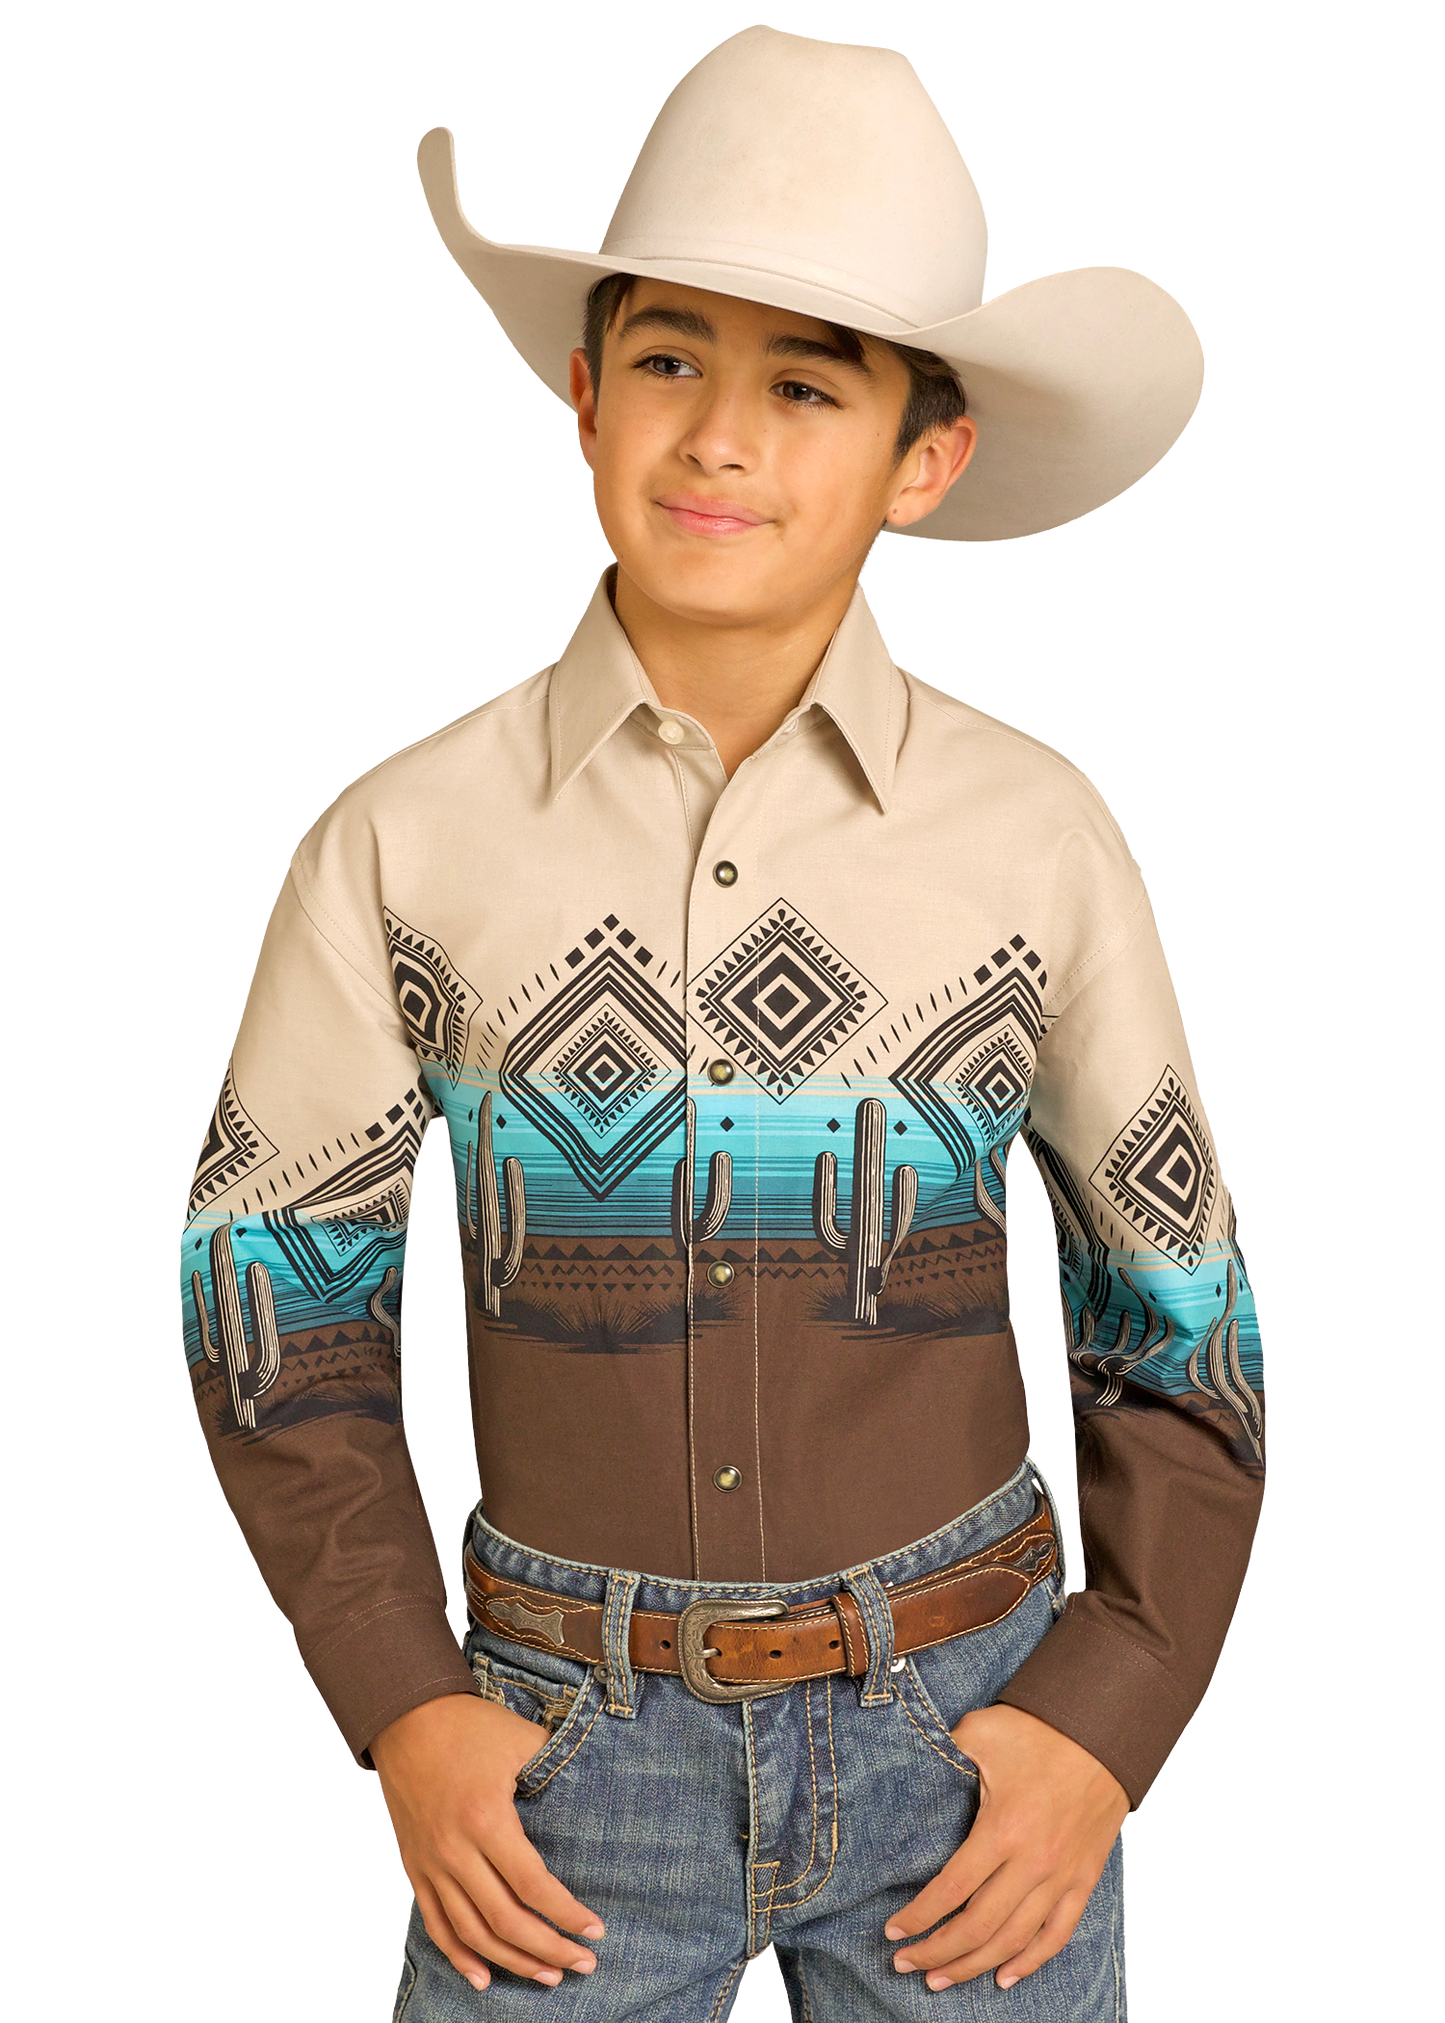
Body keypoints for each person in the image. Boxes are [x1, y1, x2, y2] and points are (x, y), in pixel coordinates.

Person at [178, 24, 1266, 2019]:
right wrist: (406, 1706)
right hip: (549, 1778)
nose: (719, 442)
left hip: (974, 1750)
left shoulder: (1038, 836)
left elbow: (1177, 1317)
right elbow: (275, 1308)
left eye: (804, 382)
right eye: (668, 359)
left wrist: (1101, 1715)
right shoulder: (398, 840)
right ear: (581, 395)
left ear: (919, 458)